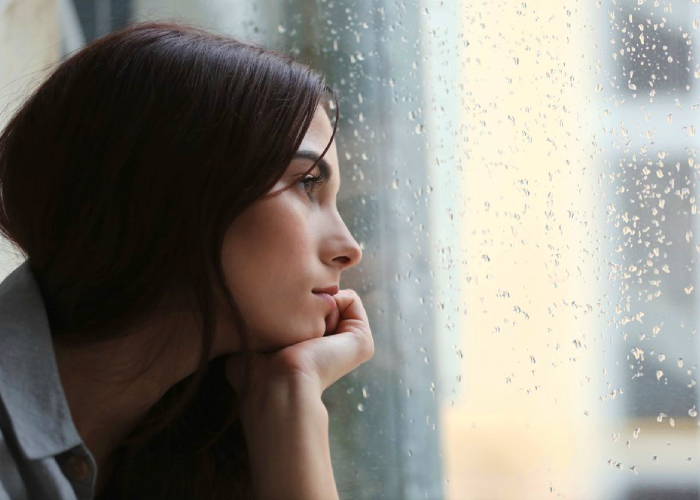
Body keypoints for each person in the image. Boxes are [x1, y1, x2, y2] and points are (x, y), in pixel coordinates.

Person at [0, 21, 374, 500]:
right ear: (172, 187)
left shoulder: (192, 450)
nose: (350, 246)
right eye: (307, 185)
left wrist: (291, 396)